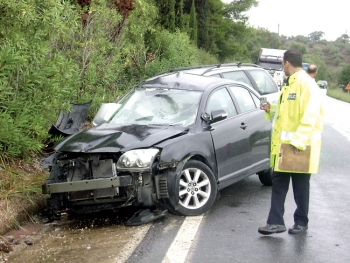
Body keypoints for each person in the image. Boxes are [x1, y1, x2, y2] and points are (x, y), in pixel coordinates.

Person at [258, 49, 324, 235]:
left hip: (299, 147)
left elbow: (310, 115)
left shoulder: (307, 85)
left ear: (286, 63)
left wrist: (298, 142)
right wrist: (270, 108)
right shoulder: (290, 85)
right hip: (284, 147)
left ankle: (301, 222)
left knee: (301, 187)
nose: (282, 67)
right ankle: (275, 222)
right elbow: (285, 111)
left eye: (282, 64)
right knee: (279, 183)